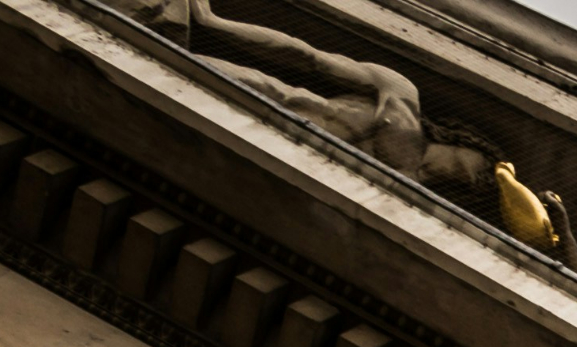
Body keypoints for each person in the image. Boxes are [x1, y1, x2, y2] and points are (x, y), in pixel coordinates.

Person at [129, 0, 497, 200]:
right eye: (486, 165)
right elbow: (306, 57)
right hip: (272, 98)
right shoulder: (402, 96)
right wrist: (214, 25)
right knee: (156, 57)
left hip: (259, 152)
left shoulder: (409, 192)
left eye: (482, 182)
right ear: (463, 140)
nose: (482, 177)